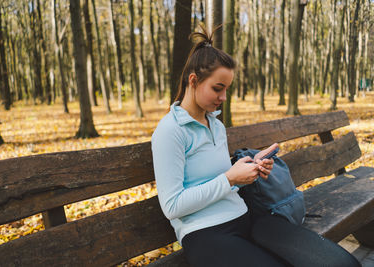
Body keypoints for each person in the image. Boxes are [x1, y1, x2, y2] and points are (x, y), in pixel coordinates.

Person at [151, 25, 360, 267]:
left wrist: (247, 167)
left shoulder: (215, 124)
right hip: (205, 233)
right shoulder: (170, 131)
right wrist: (230, 178)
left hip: (248, 218)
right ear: (193, 81)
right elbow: (172, 206)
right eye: (218, 89)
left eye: (226, 89)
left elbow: (214, 175)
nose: (223, 98)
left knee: (342, 263)